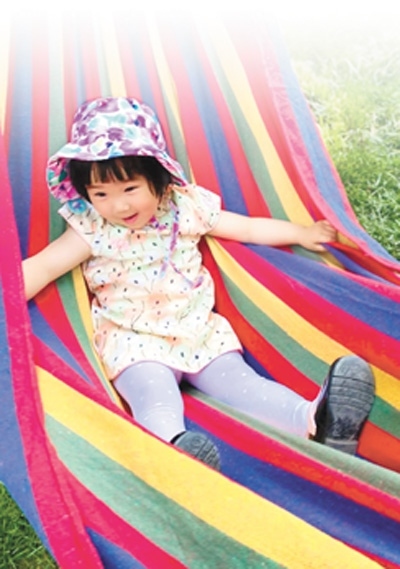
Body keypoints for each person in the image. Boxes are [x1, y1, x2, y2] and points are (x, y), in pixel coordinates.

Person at [23, 97, 375, 470]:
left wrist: (300, 233)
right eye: (100, 194)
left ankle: (314, 422)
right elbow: (44, 267)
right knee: (155, 398)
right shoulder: (92, 227)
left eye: (129, 189)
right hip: (135, 343)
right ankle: (176, 455)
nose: (118, 206)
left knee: (243, 385)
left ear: (159, 178)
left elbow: (247, 227)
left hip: (199, 333)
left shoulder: (185, 206)